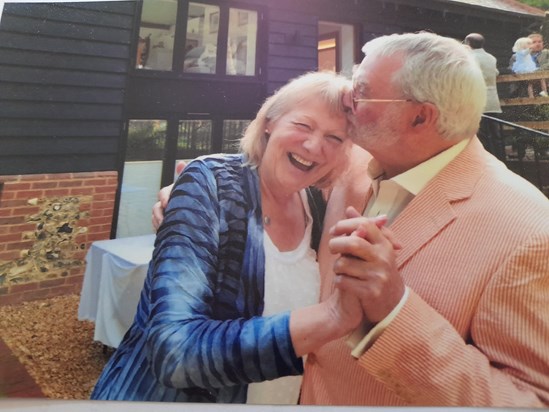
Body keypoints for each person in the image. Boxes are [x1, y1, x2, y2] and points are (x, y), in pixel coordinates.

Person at [154, 33, 549, 407]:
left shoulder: (528, 232)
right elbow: (287, 151)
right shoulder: (357, 161)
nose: (347, 98)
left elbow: (531, 401)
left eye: (361, 90)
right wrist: (202, 195)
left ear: (419, 118)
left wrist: (396, 312)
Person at [91, 70, 376, 403]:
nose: (314, 146)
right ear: (270, 122)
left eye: (335, 138)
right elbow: (174, 353)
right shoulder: (210, 183)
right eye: (303, 126)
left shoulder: (316, 205)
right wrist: (330, 319)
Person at [463, 33, 504, 159]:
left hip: (478, 99)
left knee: (482, 134)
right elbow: (495, 72)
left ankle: (486, 160)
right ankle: (501, 158)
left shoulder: (469, 57)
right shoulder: (491, 57)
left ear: (468, 43)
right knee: (495, 134)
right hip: (492, 100)